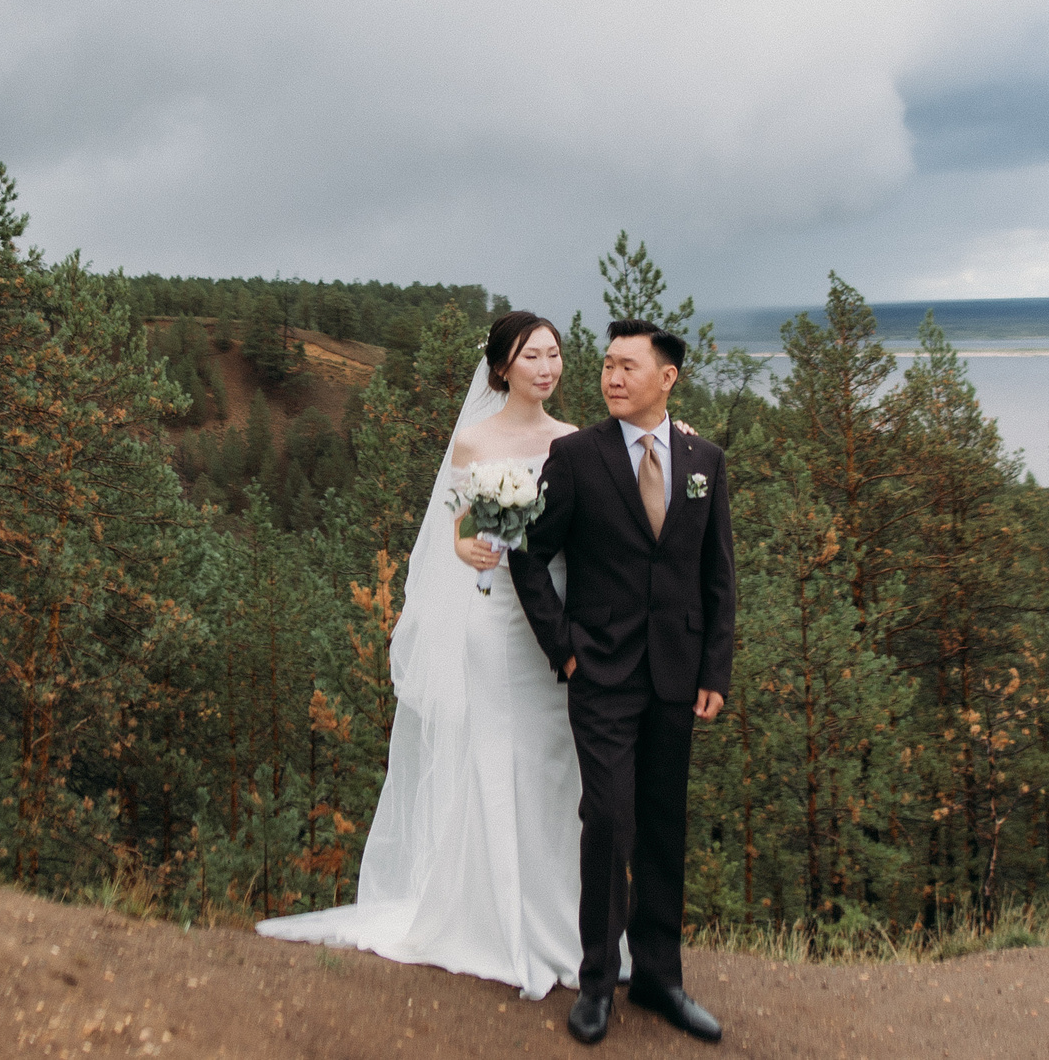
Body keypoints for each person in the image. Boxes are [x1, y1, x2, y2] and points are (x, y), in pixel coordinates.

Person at [255, 310, 586, 998]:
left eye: (555, 354)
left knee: (556, 768)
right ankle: (491, 924)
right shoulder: (473, 441)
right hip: (494, 623)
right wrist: (468, 546)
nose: (547, 366)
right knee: (493, 756)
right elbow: (456, 531)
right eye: (533, 355)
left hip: (555, 627)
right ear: (502, 367)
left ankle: (560, 926)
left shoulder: (575, 443)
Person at [509, 321, 735, 1046]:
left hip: (678, 672)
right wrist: (565, 648)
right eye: (606, 364)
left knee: (664, 824)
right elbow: (528, 554)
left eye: (627, 366)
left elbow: (718, 575)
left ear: (666, 377)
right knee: (609, 818)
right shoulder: (574, 455)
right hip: (600, 671)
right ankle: (598, 981)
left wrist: (715, 670)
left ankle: (662, 979)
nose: (611, 377)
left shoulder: (705, 459)